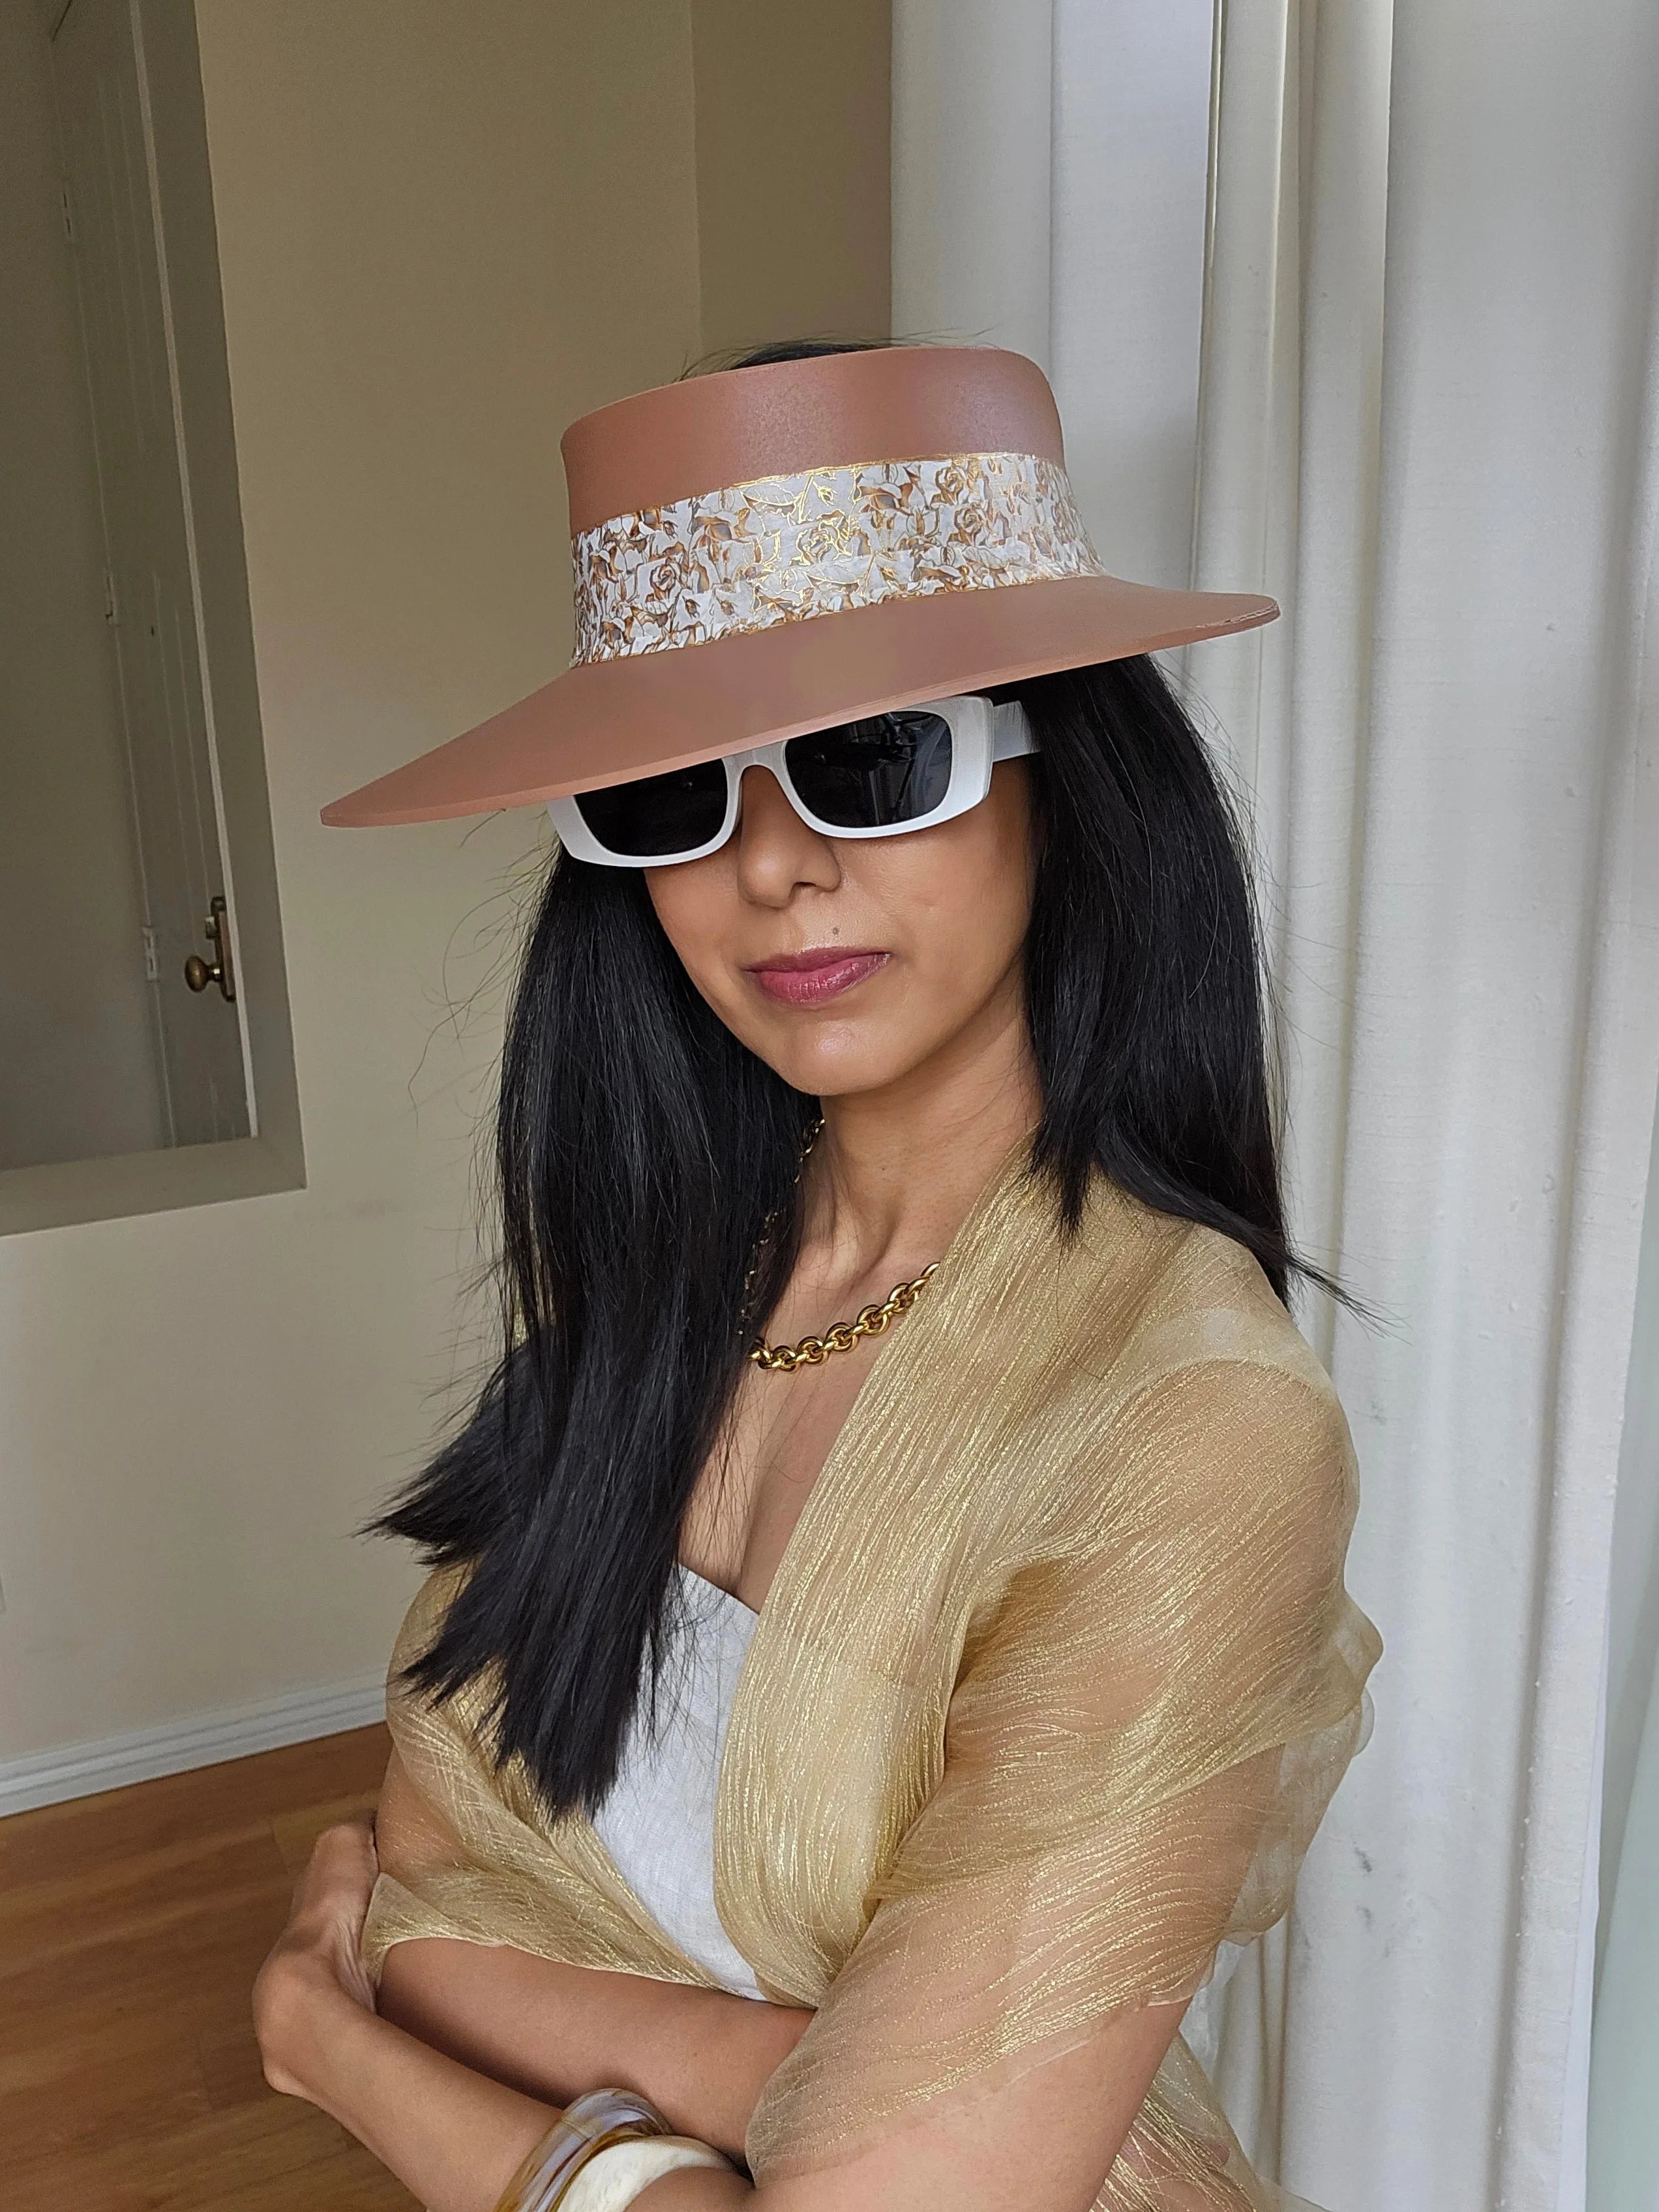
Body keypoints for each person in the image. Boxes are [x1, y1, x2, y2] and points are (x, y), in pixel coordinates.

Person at [254, 342, 1382, 2212]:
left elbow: (415, 1946)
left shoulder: (1195, 1427)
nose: (774, 866)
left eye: (874, 761)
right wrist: (776, 2074)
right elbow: (433, 1865)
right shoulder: (666, 1272)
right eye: (673, 796)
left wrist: (352, 2053)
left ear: (1067, 777)